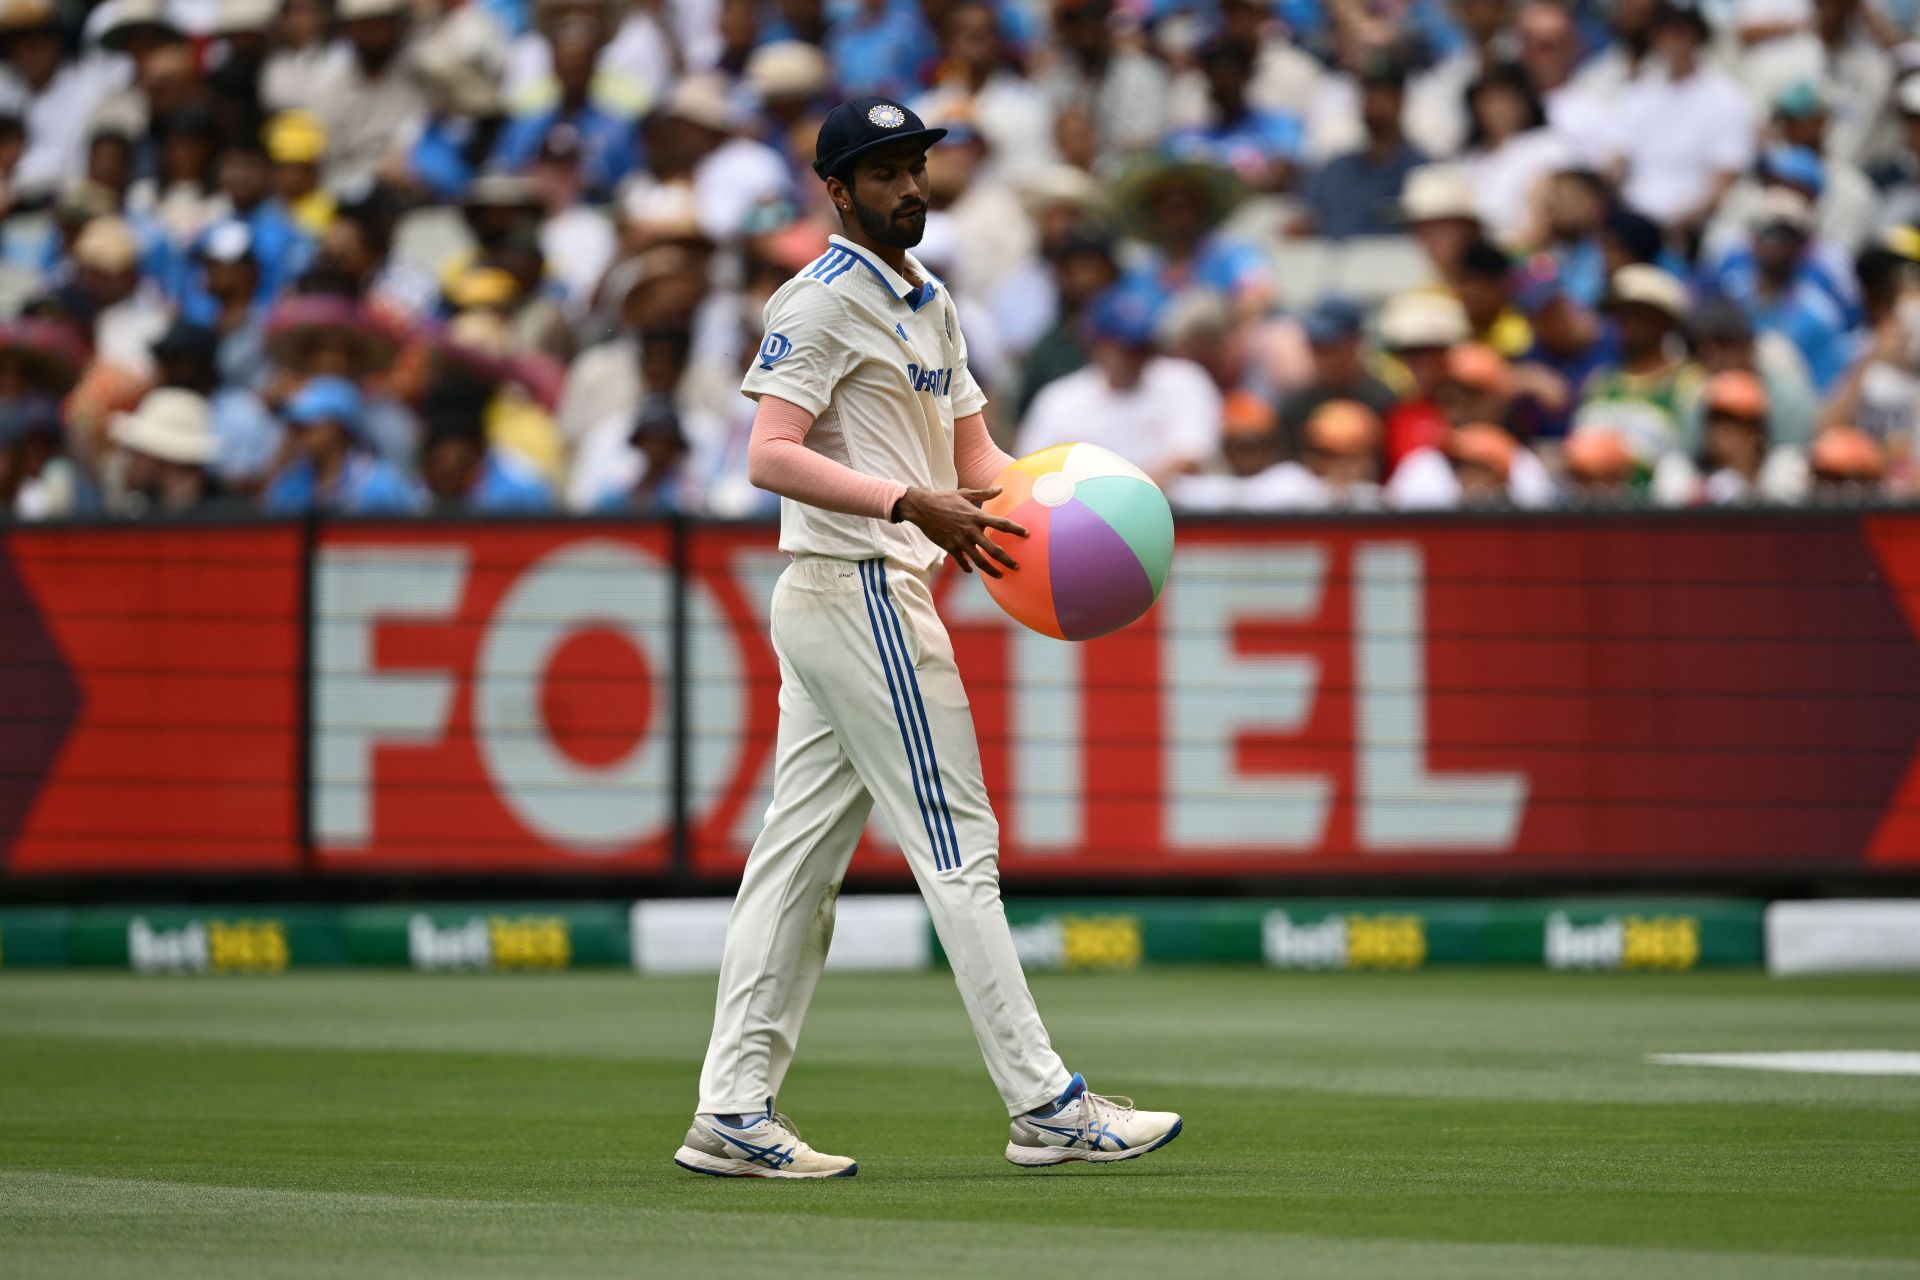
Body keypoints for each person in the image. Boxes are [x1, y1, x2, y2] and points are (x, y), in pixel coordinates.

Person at [680, 96, 1181, 1181]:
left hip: (860, 589)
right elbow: (767, 454)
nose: (910, 186)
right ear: (838, 190)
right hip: (858, 584)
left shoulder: (932, 298)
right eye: (886, 171)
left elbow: (984, 466)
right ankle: (1046, 1103)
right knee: (959, 848)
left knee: (797, 863)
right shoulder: (815, 303)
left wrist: (1084, 501)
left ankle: (730, 1108)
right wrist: (910, 504)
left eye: (916, 166)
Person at [1018, 285, 1221, 485]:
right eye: (1124, 348)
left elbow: (1193, 454)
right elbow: (1031, 472)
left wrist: (1130, 494)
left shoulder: (1185, 379)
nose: (1136, 357)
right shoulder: (1060, 399)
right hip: (1086, 511)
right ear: (1097, 346)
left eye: (1142, 347)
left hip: (1172, 511)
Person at [262, 375, 421, 514]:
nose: (298, 432)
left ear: (338, 427)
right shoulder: (290, 485)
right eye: (296, 425)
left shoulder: (383, 485)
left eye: (308, 424)